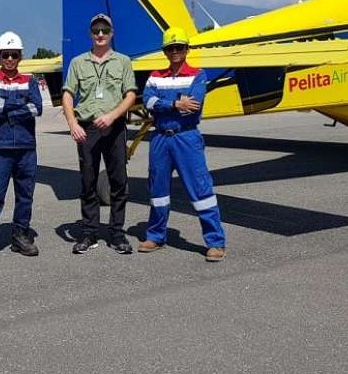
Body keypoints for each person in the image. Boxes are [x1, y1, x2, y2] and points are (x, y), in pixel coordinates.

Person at [139, 27, 227, 262]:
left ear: (187, 50)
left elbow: (194, 105)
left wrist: (164, 103)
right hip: (160, 138)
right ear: (165, 51)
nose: (175, 51)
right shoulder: (156, 75)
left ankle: (215, 242)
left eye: (179, 47)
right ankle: (156, 235)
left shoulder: (198, 74)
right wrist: (177, 103)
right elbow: (147, 100)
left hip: (186, 137)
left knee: (201, 190)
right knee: (158, 191)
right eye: (170, 48)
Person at [62, 13, 137, 254]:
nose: (101, 34)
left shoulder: (123, 61)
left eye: (105, 30)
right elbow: (67, 94)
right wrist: (73, 123)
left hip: (114, 128)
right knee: (88, 182)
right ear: (90, 34)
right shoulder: (77, 62)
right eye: (96, 31)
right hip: (87, 128)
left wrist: (113, 115)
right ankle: (89, 233)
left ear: (112, 33)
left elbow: (131, 95)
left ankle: (117, 233)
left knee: (118, 182)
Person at [0, 31, 43, 262]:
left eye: (14, 55)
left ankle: (20, 235)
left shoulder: (30, 80)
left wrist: (9, 107)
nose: (10, 59)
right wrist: (21, 103)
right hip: (0, 149)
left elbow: (37, 108)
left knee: (25, 195)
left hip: (26, 149)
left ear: (20, 56)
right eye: (5, 55)